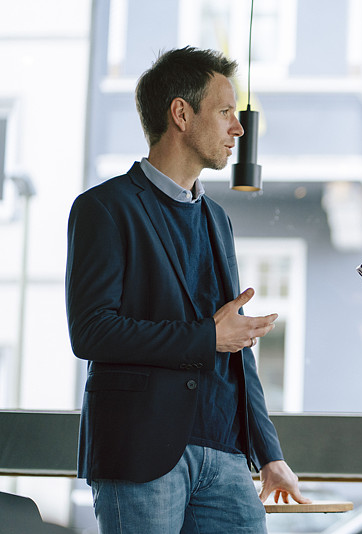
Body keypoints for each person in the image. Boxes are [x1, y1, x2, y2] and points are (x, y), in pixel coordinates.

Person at [66, 46, 309, 533]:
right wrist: (206, 338)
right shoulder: (105, 207)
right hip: (140, 452)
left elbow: (236, 344)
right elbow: (92, 332)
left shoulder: (217, 219)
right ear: (181, 113)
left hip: (225, 456)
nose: (237, 128)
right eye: (225, 112)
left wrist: (268, 452)